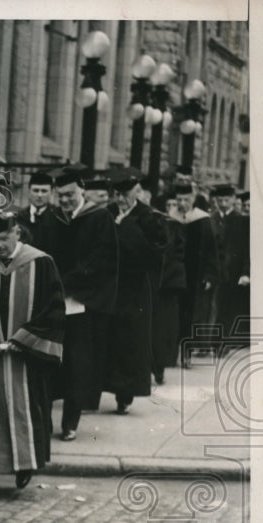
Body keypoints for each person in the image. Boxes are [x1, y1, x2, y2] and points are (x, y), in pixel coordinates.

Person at [0, 214, 64, 489]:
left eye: (4, 238)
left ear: (17, 233)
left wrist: (23, 340)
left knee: (27, 408)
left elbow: (53, 310)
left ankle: (26, 464)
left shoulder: (41, 262)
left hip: (27, 358)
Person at [34, 166, 119, 441]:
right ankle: (43, 423)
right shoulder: (51, 218)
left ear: (81, 189)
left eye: (70, 194)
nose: (66, 200)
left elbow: (100, 259)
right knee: (47, 361)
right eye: (61, 196)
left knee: (77, 363)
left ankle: (70, 422)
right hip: (53, 299)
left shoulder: (99, 217)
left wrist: (67, 281)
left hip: (82, 301)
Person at [105, 170, 167, 413]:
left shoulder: (149, 217)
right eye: (117, 195)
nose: (120, 200)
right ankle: (108, 386)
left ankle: (125, 393)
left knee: (130, 340)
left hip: (136, 289)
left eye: (125, 195)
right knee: (110, 339)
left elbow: (155, 253)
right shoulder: (108, 213)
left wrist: (127, 228)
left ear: (136, 193)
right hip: (111, 286)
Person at [173, 181, 218, 365]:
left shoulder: (203, 220)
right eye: (179, 199)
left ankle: (186, 353)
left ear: (193, 199)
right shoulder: (171, 218)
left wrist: (209, 275)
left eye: (185, 199)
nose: (182, 203)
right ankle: (171, 352)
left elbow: (211, 251)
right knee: (174, 313)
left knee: (191, 314)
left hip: (195, 275)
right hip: (175, 274)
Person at [149, 190, 187, 384]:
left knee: (163, 330)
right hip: (150, 284)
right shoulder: (151, 223)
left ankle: (160, 367)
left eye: (175, 205)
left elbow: (181, 255)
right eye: (169, 205)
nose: (172, 209)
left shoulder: (176, 226)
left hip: (168, 287)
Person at [210, 184, 250, 347]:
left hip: (232, 272)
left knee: (227, 308)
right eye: (220, 200)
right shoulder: (211, 219)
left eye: (227, 200)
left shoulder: (242, 220)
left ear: (233, 199)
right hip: (213, 270)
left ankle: (220, 343)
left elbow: (247, 249)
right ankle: (208, 342)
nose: (224, 203)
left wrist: (246, 272)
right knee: (211, 307)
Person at [16, 170, 54, 248]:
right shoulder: (19, 217)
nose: (39, 195)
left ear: (51, 192)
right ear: (29, 192)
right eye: (36, 190)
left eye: (44, 191)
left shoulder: (58, 216)